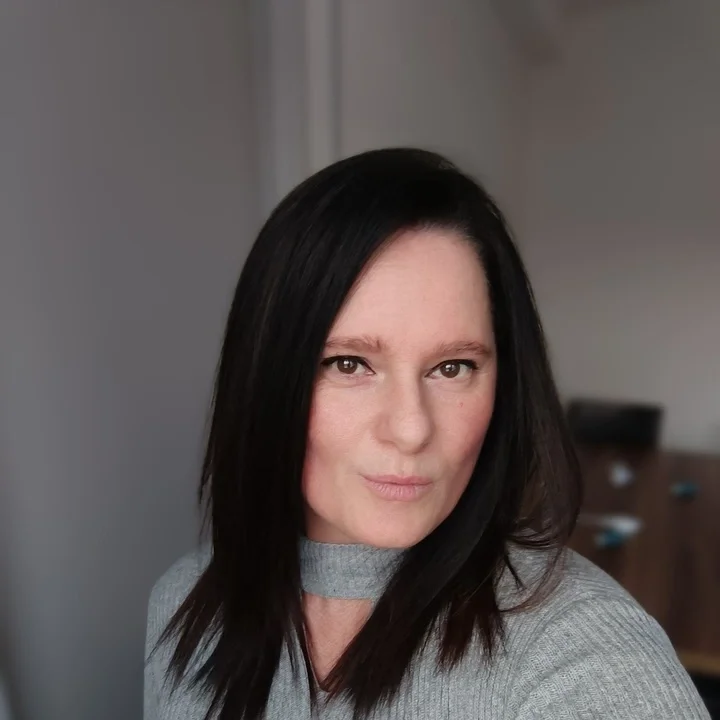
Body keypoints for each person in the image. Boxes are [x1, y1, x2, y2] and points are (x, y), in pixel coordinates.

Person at [144, 148, 709, 720]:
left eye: (452, 367)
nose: (411, 429)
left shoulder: (587, 653)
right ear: (266, 376)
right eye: (348, 364)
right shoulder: (182, 603)